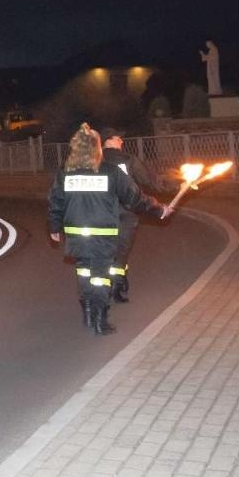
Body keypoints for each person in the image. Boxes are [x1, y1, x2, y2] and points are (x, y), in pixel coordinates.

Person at [47, 124, 168, 335]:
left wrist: (54, 227)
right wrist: (159, 210)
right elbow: (135, 198)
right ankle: (100, 320)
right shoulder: (110, 172)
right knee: (101, 276)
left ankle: (86, 310)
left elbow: (55, 202)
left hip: (76, 234)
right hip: (102, 234)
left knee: (84, 271)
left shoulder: (65, 173)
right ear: (97, 149)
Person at [98, 127, 160, 304]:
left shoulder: (94, 161)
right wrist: (179, 183)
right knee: (122, 250)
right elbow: (150, 181)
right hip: (126, 212)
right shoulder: (128, 160)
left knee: (105, 251)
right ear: (108, 141)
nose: (121, 141)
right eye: (118, 138)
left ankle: (104, 287)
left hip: (102, 213)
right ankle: (118, 287)